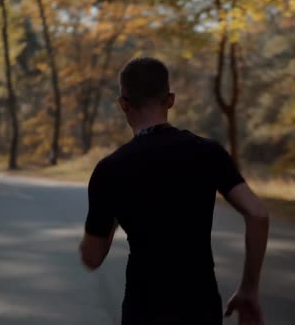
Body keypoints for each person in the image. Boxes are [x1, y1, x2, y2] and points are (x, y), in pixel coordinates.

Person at [79, 57, 269, 325]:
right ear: (170, 100)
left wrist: (116, 213)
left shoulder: (110, 169)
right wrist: (249, 289)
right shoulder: (209, 153)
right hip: (201, 307)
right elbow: (258, 214)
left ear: (123, 104)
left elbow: (92, 256)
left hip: (144, 309)